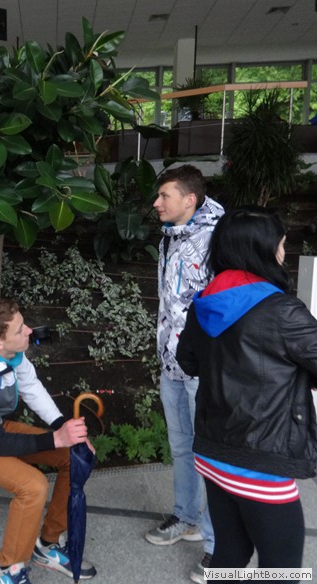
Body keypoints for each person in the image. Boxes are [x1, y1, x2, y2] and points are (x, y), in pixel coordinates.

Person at [177, 207, 317, 579]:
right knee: (281, 571)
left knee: (230, 552)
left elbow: (188, 361)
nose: (284, 252)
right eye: (281, 244)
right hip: (261, 463)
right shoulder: (284, 312)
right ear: (263, 249)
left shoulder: (204, 302)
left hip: (213, 452)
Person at [0, 299, 97, 584]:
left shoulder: (9, 351)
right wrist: (55, 438)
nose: (29, 331)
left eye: (24, 324)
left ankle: (47, 544)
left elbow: (31, 387)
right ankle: (8, 570)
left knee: (72, 456)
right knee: (33, 486)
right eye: (21, 329)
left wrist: (63, 429)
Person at [147, 165, 223, 584]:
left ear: (189, 200)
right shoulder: (172, 236)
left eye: (165, 196)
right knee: (181, 448)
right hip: (171, 363)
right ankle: (186, 518)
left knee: (210, 454)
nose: (156, 203)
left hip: (204, 369)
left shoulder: (219, 239)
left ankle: (218, 547)